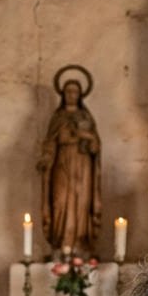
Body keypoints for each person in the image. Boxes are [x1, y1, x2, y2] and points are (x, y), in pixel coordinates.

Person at [37, 72, 102, 257]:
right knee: (60, 201)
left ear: (80, 95)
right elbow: (50, 142)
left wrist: (87, 138)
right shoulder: (57, 117)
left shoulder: (86, 117)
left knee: (82, 202)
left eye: (75, 92)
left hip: (83, 165)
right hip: (62, 163)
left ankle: (80, 244)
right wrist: (46, 157)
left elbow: (96, 146)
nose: (71, 95)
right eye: (68, 91)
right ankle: (61, 243)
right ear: (63, 94)